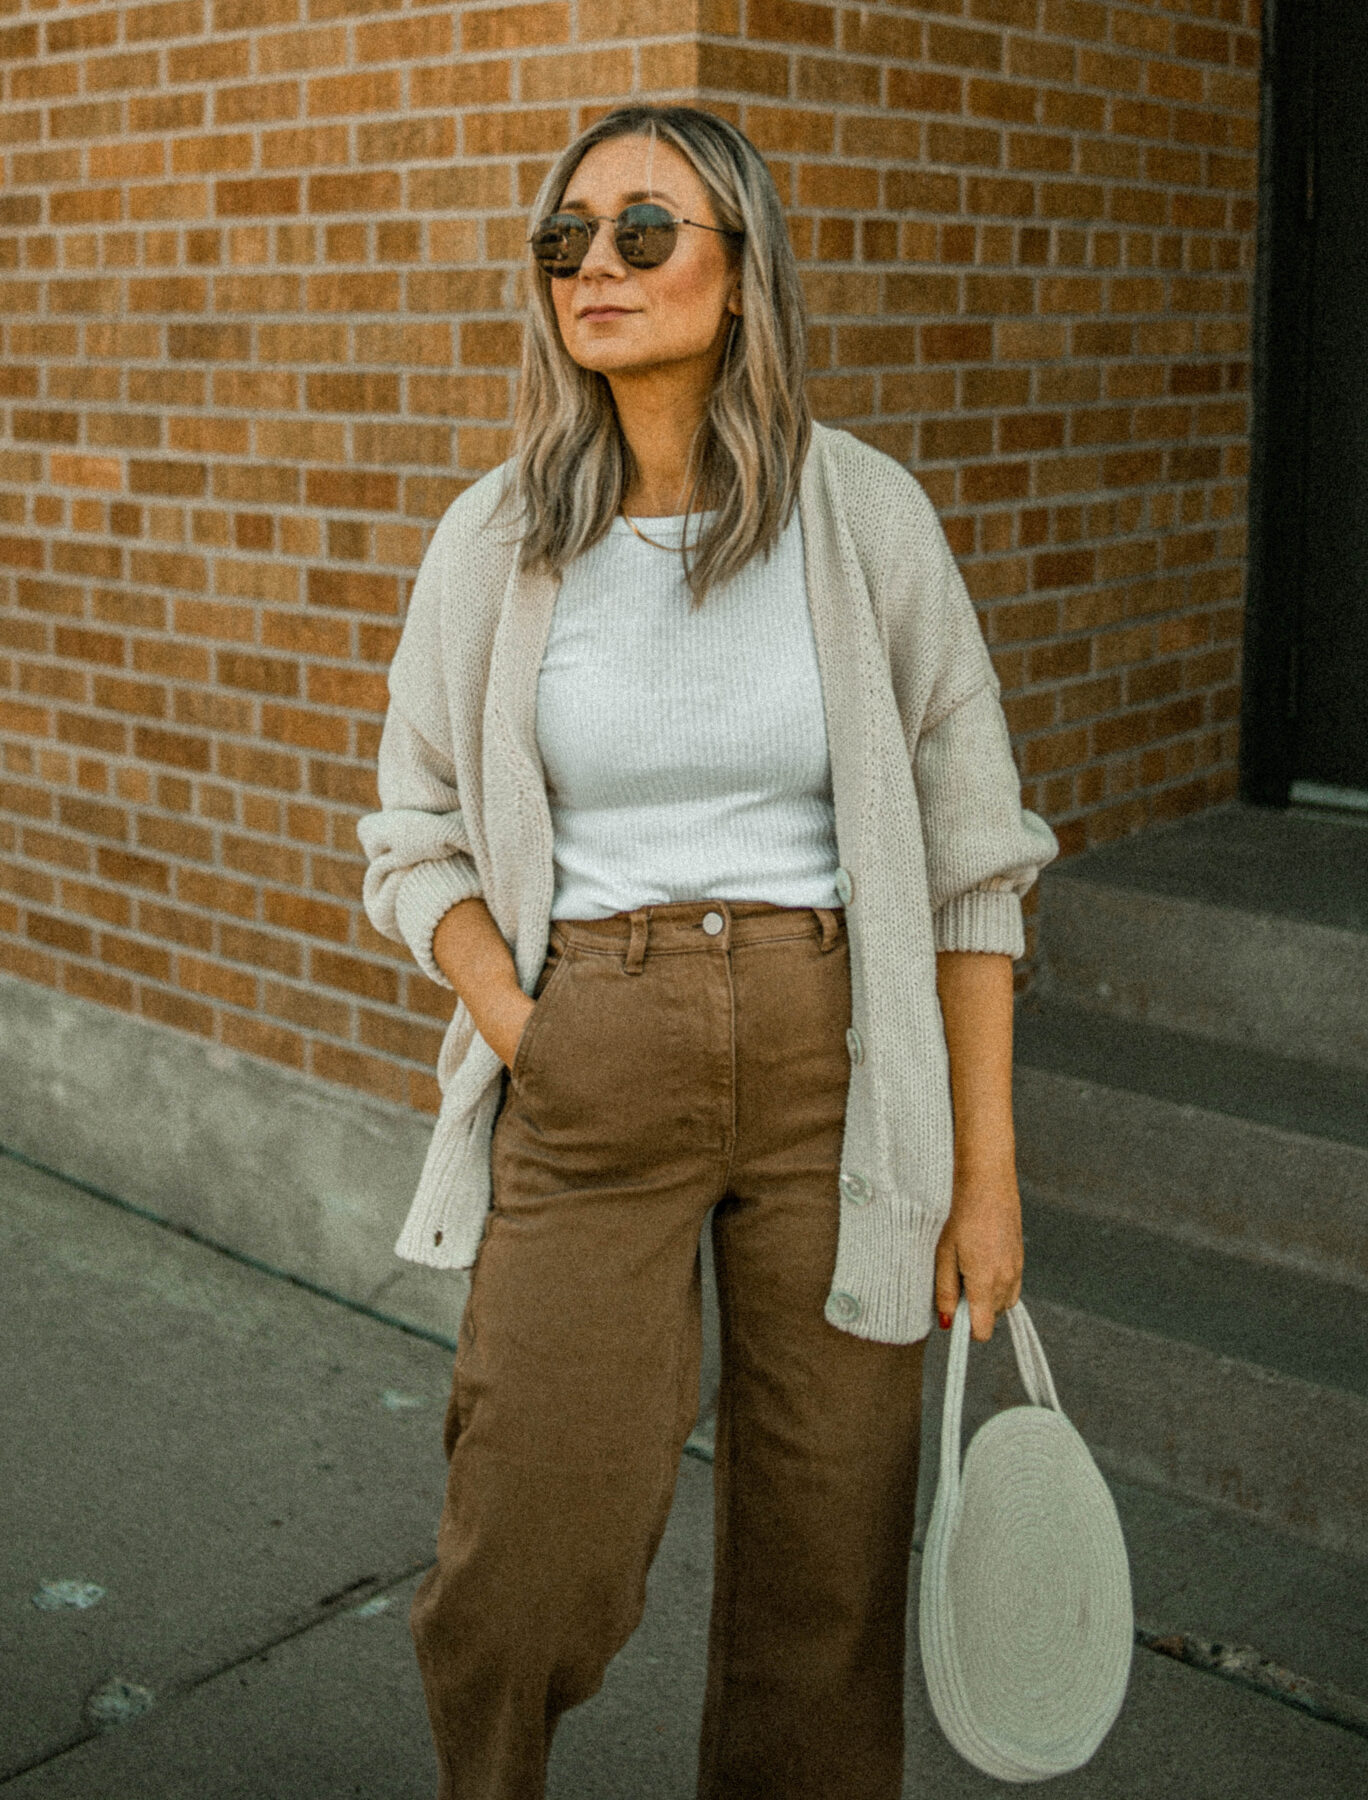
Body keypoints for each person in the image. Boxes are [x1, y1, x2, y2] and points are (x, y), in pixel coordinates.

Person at [358, 102, 1060, 1800]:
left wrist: (987, 1172)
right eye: (565, 240)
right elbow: (413, 834)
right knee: (526, 1560)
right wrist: (528, 1025)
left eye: (644, 232)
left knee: (823, 1581)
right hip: (592, 1058)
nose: (594, 266)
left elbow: (975, 868)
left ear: (741, 273)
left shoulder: (865, 519)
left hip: (843, 1078)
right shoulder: (497, 540)